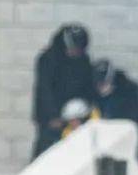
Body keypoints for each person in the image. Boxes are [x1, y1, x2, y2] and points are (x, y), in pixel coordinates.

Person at [31, 24, 94, 159]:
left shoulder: (83, 60)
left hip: (74, 115)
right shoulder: (48, 59)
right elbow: (44, 90)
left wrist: (82, 113)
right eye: (74, 49)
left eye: (79, 50)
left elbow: (88, 88)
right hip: (50, 117)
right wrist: (52, 116)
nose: (76, 53)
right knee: (44, 154)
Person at [92, 58, 138, 168]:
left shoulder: (130, 92)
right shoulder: (96, 95)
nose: (100, 88)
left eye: (103, 84)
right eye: (98, 85)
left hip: (133, 135)